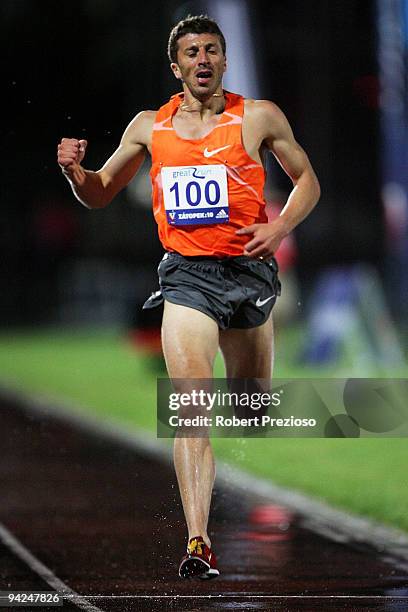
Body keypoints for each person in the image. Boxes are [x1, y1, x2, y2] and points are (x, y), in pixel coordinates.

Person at [57, 14, 321, 580]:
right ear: (176, 68)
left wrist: (277, 230)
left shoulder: (258, 117)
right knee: (192, 405)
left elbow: (308, 182)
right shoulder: (151, 127)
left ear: (224, 61)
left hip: (249, 276)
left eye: (211, 50)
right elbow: (100, 193)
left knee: (250, 410)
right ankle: (198, 539)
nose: (202, 60)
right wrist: (77, 173)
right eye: (191, 53)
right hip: (186, 278)